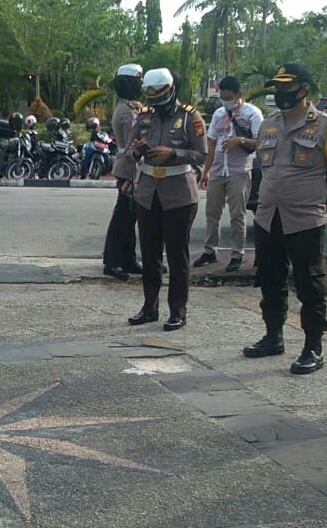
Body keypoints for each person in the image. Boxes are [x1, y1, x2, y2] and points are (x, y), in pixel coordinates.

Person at [244, 63, 327, 375]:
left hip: (306, 220)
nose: (280, 93)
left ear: (303, 89)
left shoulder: (326, 126)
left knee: (310, 285)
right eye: (277, 87)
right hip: (268, 217)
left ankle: (313, 347)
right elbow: (262, 169)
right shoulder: (268, 125)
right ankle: (273, 337)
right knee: (270, 279)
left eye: (287, 87)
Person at [127, 68, 207, 331]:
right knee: (149, 255)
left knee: (177, 256)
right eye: (150, 97)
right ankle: (149, 307)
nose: (155, 102)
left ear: (171, 90)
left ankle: (177, 311)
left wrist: (173, 153)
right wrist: (137, 151)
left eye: (159, 95)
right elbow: (130, 149)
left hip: (179, 194)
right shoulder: (144, 116)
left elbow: (201, 155)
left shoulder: (189, 116)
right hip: (147, 192)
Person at [194, 76, 264, 272]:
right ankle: (210, 251)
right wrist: (205, 172)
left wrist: (240, 141)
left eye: (229, 97)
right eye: (222, 97)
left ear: (239, 95)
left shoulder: (252, 114)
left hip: (239, 170)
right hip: (218, 169)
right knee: (212, 214)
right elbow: (212, 143)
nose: (225, 101)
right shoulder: (218, 114)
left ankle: (237, 253)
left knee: (237, 215)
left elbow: (261, 142)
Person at [103, 63, 143, 281]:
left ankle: (127, 258)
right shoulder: (128, 112)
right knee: (123, 216)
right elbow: (132, 146)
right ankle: (113, 261)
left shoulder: (128, 107)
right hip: (129, 169)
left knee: (130, 216)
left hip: (129, 167)